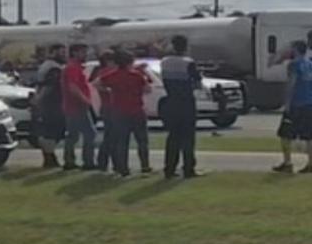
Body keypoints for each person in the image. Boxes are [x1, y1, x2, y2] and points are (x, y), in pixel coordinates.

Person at [93, 48, 150, 177]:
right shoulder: (136, 75)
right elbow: (147, 89)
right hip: (136, 109)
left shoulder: (112, 75)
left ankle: (123, 167)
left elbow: (96, 83)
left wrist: (108, 90)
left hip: (119, 110)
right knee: (142, 140)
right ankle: (145, 165)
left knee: (122, 141)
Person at [272, 40, 312, 174]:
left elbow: (291, 84)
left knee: (285, 134)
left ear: (296, 50)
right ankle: (311, 165)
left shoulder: (294, 65)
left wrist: (287, 103)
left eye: (291, 48)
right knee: (311, 137)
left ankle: (288, 162)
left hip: (298, 104)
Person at [159, 34, 205, 179]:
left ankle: (169, 169)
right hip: (186, 102)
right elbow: (197, 81)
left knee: (173, 137)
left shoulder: (164, 62)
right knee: (188, 138)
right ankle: (188, 168)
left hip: (171, 101)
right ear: (185, 47)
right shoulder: (188, 62)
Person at [60, 43, 98, 170]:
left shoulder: (75, 67)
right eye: (83, 52)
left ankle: (69, 160)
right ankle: (88, 161)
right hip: (77, 106)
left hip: (73, 106)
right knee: (90, 133)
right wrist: (84, 100)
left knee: (73, 135)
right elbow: (73, 87)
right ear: (75, 52)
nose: (85, 55)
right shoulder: (72, 68)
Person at [33, 44, 67, 169]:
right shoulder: (53, 68)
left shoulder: (47, 65)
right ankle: (49, 157)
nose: (64, 55)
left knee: (51, 131)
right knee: (53, 131)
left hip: (50, 103)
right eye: (61, 52)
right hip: (52, 104)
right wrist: (39, 100)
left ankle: (49, 157)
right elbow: (48, 87)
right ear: (53, 52)